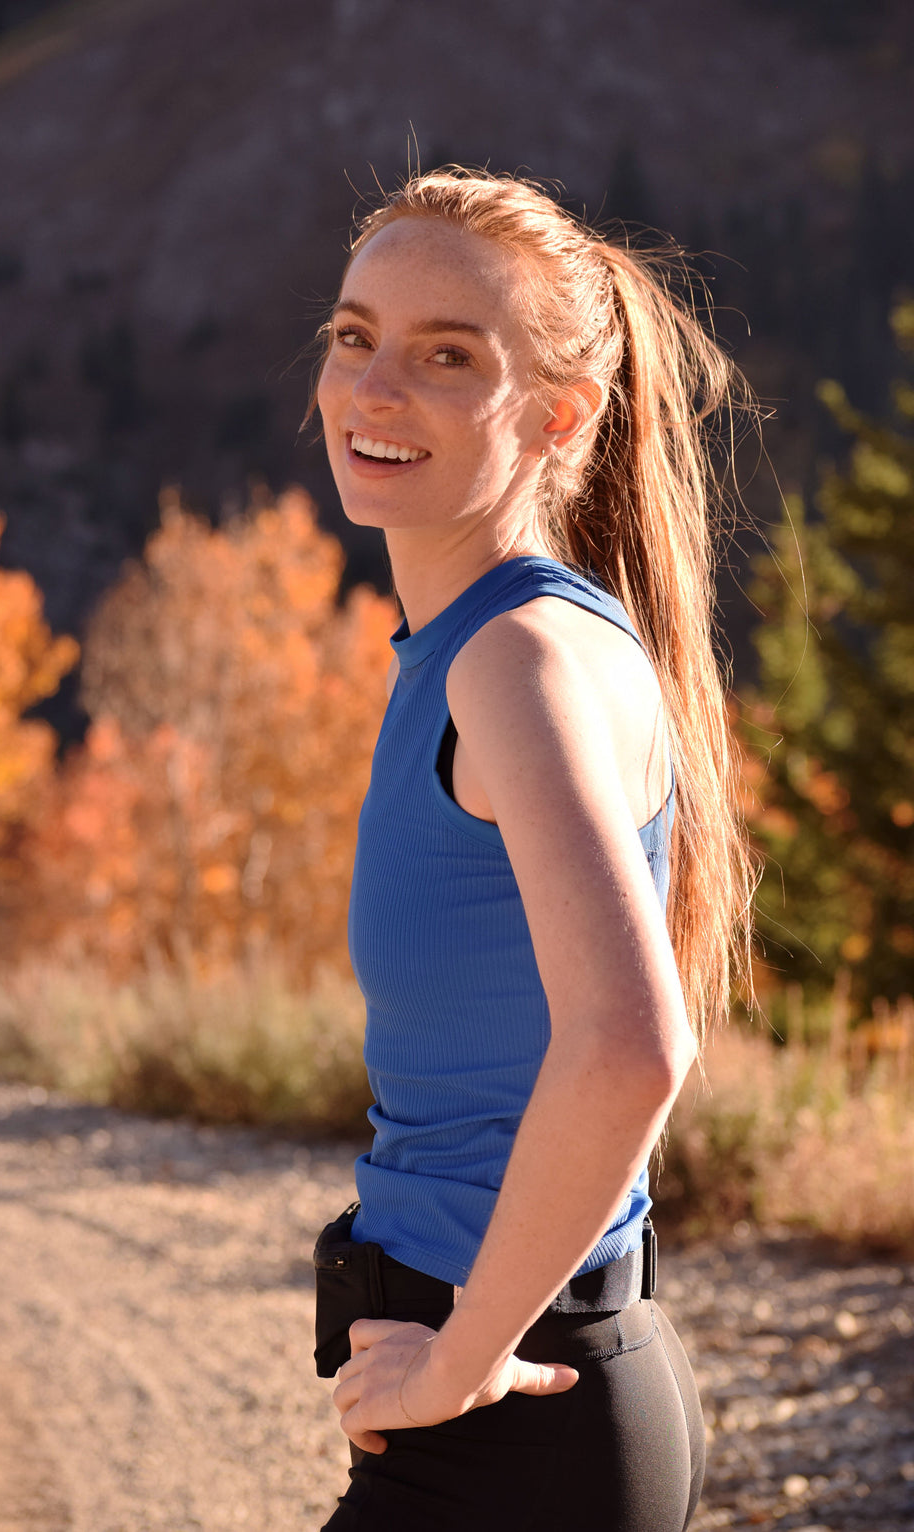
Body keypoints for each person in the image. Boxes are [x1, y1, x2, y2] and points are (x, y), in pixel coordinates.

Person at [308, 168, 754, 1532]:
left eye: (448, 356)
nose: (375, 388)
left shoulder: (516, 659)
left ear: (563, 412)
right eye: (354, 336)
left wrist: (460, 1358)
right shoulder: (491, 646)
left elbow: (631, 1047)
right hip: (539, 1401)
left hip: (516, 1417)